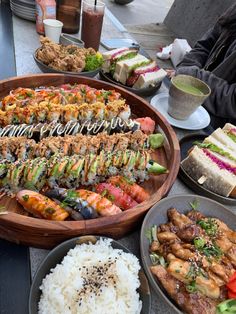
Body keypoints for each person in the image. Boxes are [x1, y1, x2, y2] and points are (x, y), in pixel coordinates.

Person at [174, 3, 236, 128]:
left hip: (220, 125)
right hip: (192, 97)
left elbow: (233, 101)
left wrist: (192, 76)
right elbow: (204, 45)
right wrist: (187, 68)